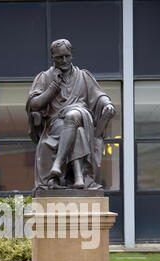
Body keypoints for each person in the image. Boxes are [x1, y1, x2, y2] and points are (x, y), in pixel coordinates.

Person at [26, 39, 115, 191]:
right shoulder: (45, 77)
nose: (64, 60)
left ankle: (57, 164)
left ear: (72, 55)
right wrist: (53, 88)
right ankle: (79, 178)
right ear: (53, 57)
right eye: (60, 57)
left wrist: (108, 104)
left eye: (67, 56)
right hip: (56, 123)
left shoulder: (84, 76)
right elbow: (34, 104)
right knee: (77, 130)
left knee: (73, 115)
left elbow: (99, 95)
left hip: (81, 115)